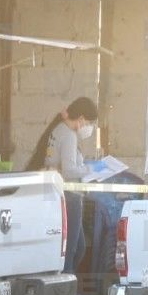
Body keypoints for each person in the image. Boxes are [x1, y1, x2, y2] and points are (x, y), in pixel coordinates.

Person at [27, 96, 98, 273]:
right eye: (89, 122)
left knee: (78, 247)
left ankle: (68, 287)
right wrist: (92, 170)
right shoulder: (69, 135)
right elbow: (69, 171)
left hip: (60, 194)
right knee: (71, 249)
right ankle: (66, 290)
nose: (88, 127)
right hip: (69, 195)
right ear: (81, 118)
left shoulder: (59, 128)